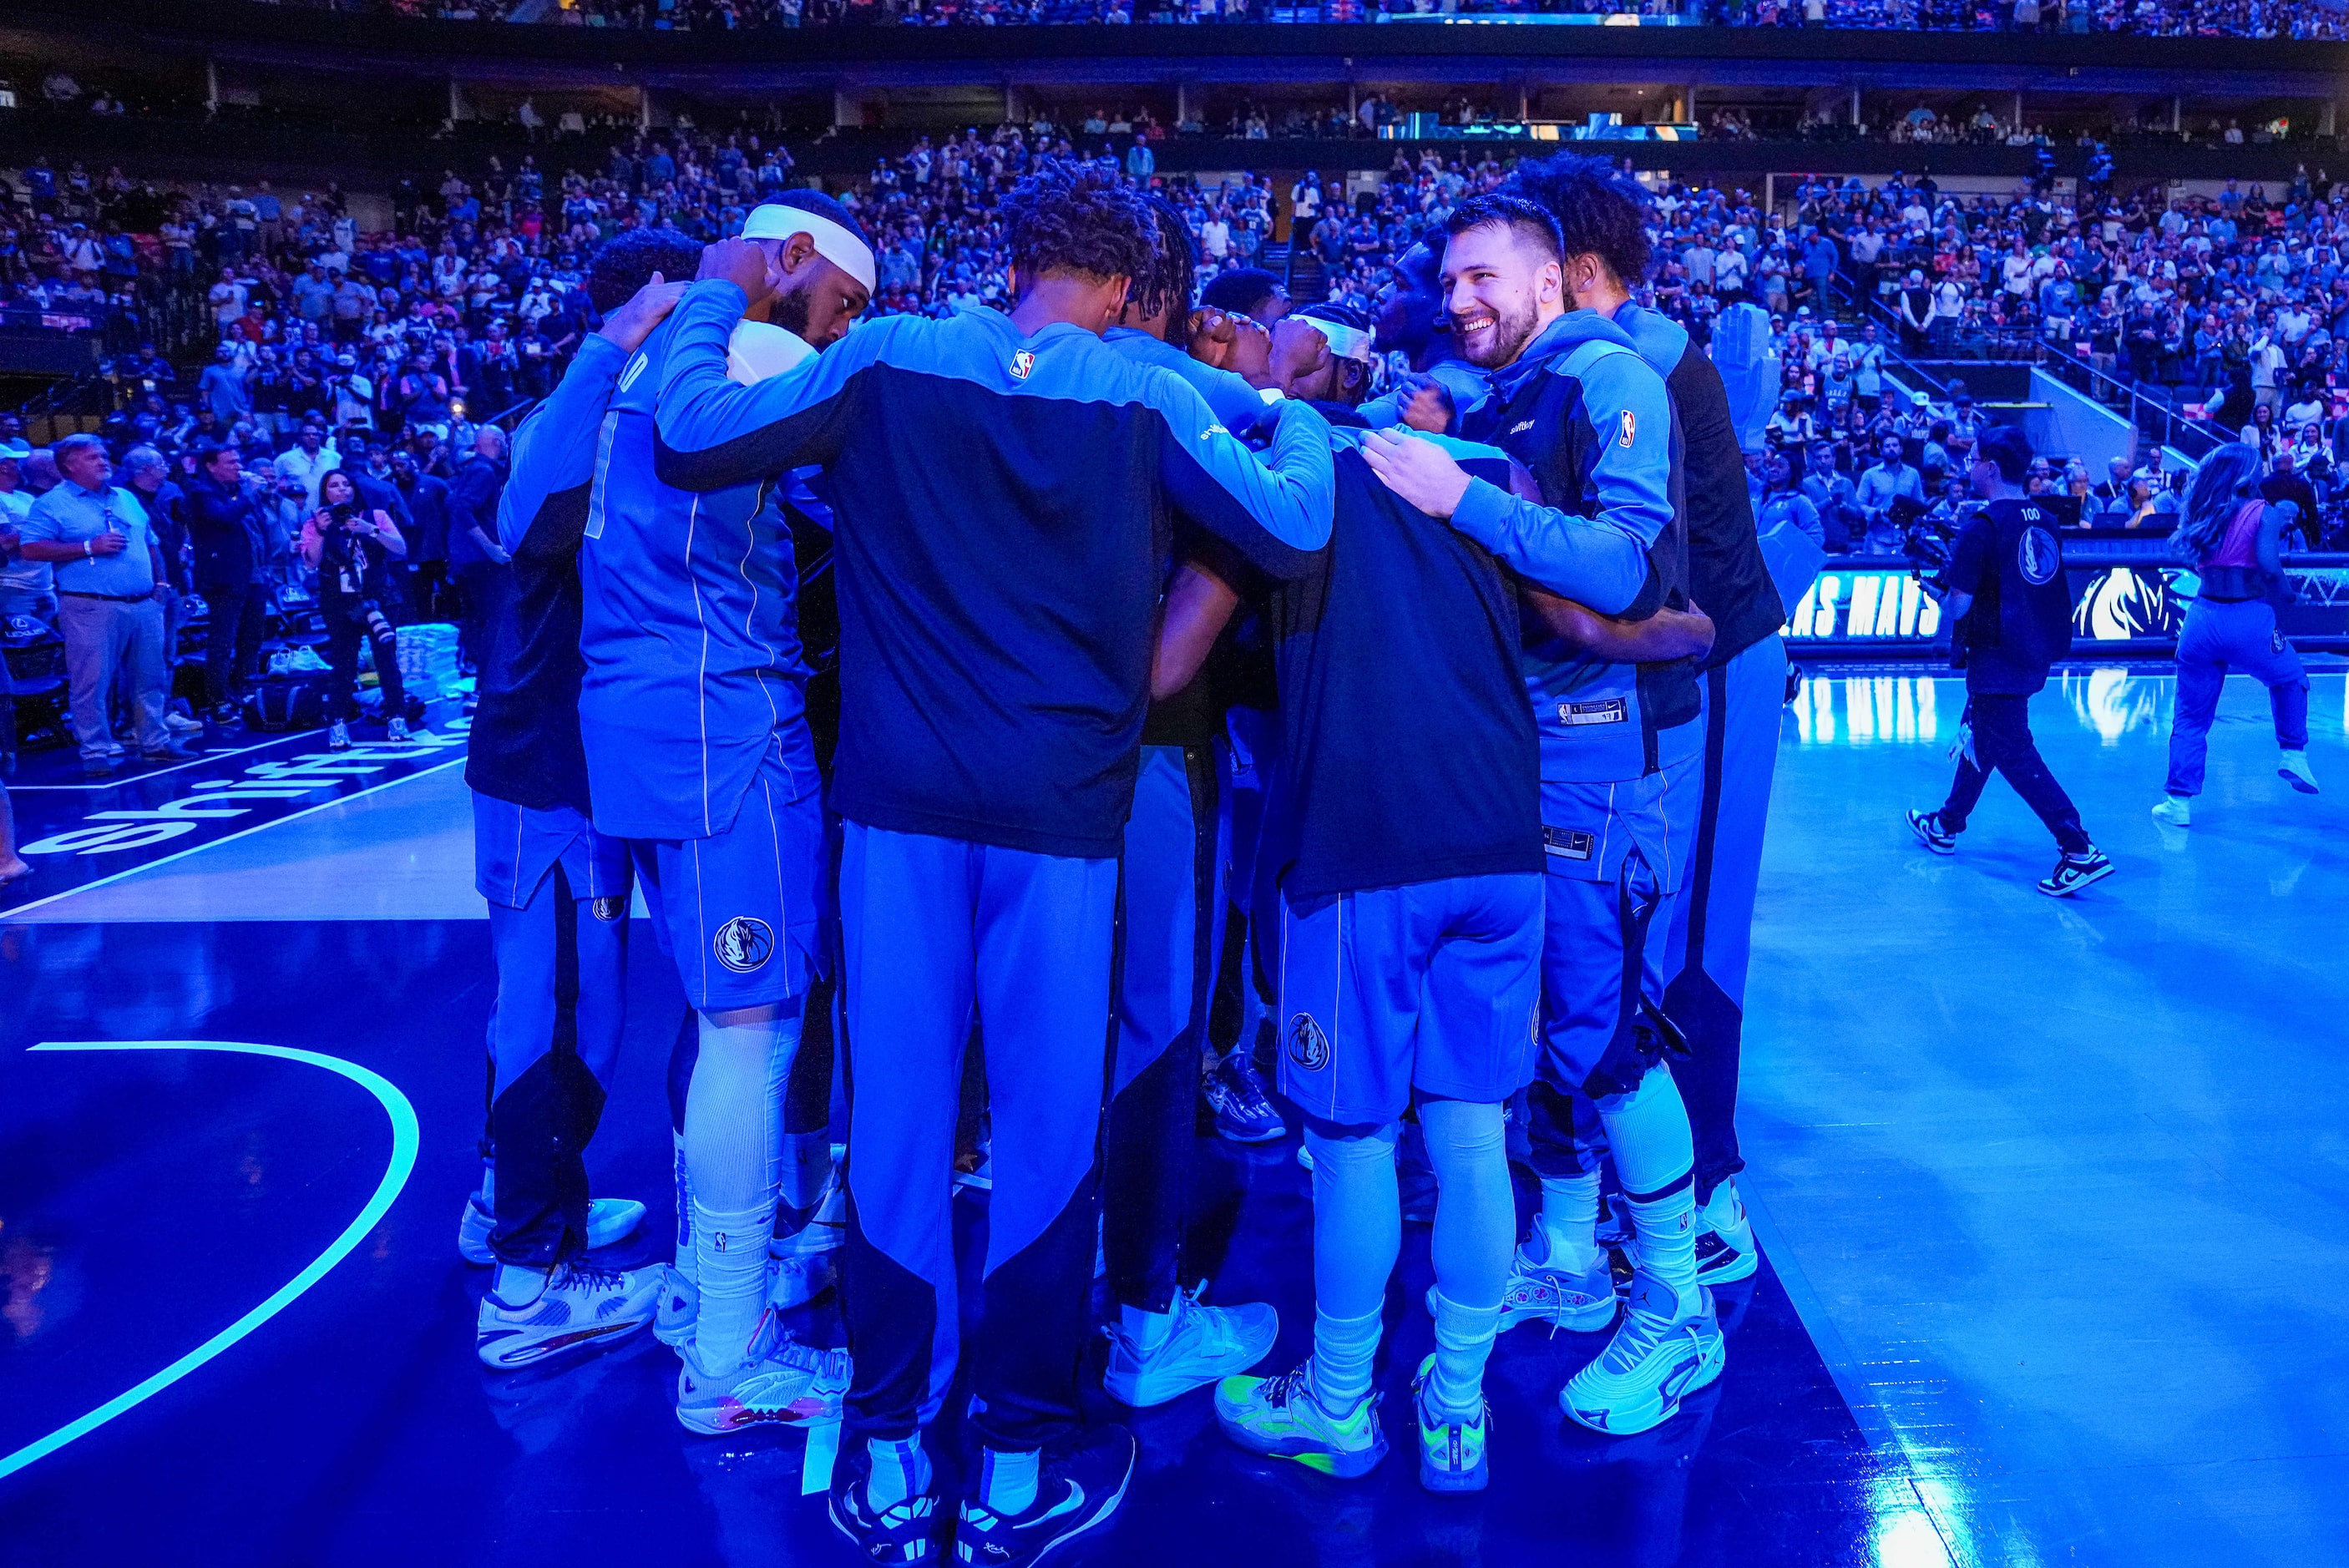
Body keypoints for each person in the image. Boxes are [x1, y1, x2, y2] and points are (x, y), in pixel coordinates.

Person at [655, 161, 1333, 1567]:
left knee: (896, 1128)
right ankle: (1017, 1454)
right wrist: (1297, 409)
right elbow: (1290, 523)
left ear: (1009, 255)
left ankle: (898, 1437)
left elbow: (689, 430)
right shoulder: (1147, 395)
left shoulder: (890, 356)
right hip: (1064, 817)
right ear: (1134, 290)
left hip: (896, 812)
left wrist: (715, 295)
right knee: (1041, 1134)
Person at [1395, 193, 1723, 1437]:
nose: (1459, 297)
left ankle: (1679, 1309)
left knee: (1605, 1034)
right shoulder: (1509, 394)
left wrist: (1459, 496)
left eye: (1482, 276)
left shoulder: (1603, 372)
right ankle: (1577, 1263)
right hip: (1525, 756)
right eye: (1448, 279)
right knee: (1548, 1027)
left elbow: (1632, 572)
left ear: (1550, 281)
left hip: (1600, 762)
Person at [578, 200, 875, 1438]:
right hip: (719, 725)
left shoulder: (655, 353)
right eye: (845, 302)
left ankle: (710, 1280)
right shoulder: (754, 355)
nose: (843, 330)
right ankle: (732, 1349)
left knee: (720, 1021)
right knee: (753, 1029)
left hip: (640, 715)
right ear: (791, 262)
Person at [1502, 151, 1795, 1292]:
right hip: (1666, 679)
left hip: (1715, 668)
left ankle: (1712, 1195)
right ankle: (1640, 1186)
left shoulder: (1646, 356)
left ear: (1570, 266)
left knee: (1697, 932)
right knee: (1636, 937)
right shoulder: (1611, 358)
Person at [466, 238, 700, 1371]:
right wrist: (615, 344)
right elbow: (526, 520)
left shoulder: (599, 401)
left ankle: (508, 1204)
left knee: (559, 1011)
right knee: (561, 1016)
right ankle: (528, 1280)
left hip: (572, 765)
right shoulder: (579, 403)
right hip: (543, 770)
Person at [1094, 196, 1284, 1411]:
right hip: (1156, 751)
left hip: (1001, 767)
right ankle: (1146, 1317)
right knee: (1155, 1025)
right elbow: (1294, 483)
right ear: (1164, 292)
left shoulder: (962, 368)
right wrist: (1262, 378)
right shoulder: (1186, 386)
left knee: (1043, 1034)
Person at [1907, 427, 2114, 896]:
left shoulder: (1981, 526)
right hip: (2034, 647)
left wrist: (1939, 592)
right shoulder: (2045, 518)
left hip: (1995, 654)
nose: (1969, 467)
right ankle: (1947, 822)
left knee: (2012, 749)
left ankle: (2078, 847)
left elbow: (1959, 606)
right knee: (1982, 733)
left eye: (1974, 459)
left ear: (1991, 468)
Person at [2153, 443, 2319, 828]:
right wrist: (2290, 596)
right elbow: (2269, 567)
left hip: (2201, 618)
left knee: (2190, 717)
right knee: (2291, 679)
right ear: (2247, 472)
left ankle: (2178, 802)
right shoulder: (2265, 513)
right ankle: (2293, 755)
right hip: (2247, 617)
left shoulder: (2202, 509)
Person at [16, 433, 185, 772]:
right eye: (93, 457)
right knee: (92, 681)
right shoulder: (51, 503)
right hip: (90, 606)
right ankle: (95, 752)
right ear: (69, 465)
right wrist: (89, 547)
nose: (104, 461)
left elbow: (151, 543)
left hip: (144, 602)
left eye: (104, 455)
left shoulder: (126, 497)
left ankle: (154, 741)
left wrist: (161, 584)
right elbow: (30, 548)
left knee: (149, 677)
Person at [299, 468, 413, 751]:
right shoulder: (315, 522)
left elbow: (401, 548)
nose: (341, 489)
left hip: (379, 595)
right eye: (334, 485)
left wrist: (369, 530)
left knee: (386, 659)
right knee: (344, 663)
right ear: (325, 492)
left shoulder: (374, 515)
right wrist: (322, 532)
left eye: (345, 484)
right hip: (339, 600)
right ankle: (337, 723)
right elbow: (311, 562)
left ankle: (397, 718)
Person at [185, 442, 273, 723]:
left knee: (252, 640)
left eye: (238, 461)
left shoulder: (237, 492)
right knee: (223, 643)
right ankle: (219, 701)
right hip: (224, 579)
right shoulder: (202, 492)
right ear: (211, 466)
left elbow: (259, 529)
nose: (239, 467)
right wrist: (248, 494)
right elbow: (223, 518)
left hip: (256, 576)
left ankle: (247, 693)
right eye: (231, 463)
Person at [448, 426, 512, 679]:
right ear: (497, 442)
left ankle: (480, 678)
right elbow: (463, 509)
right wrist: (491, 548)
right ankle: (488, 684)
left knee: (479, 620)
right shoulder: (484, 472)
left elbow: (453, 503)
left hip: (467, 560)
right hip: (483, 560)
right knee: (495, 621)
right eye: (505, 441)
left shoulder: (472, 470)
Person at [1856, 431, 1925, 551]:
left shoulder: (1913, 474)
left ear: (1901, 449)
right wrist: (1876, 512)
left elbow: (1919, 505)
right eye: (1887, 446)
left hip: (1904, 540)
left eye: (1895, 445)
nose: (1891, 449)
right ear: (1881, 450)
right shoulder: (1870, 475)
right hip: (1877, 540)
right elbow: (1859, 504)